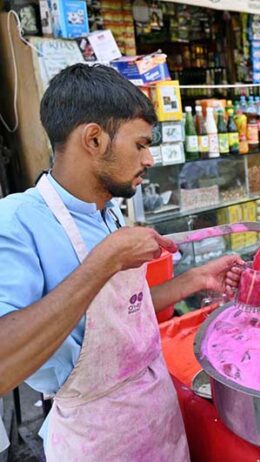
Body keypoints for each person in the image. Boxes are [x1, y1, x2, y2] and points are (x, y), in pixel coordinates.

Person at [0, 64, 244, 460]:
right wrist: (106, 260)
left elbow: (116, 310)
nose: (149, 159)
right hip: (96, 436)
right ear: (94, 139)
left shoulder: (108, 210)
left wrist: (196, 279)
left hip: (155, 412)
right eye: (140, 144)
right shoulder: (16, 222)